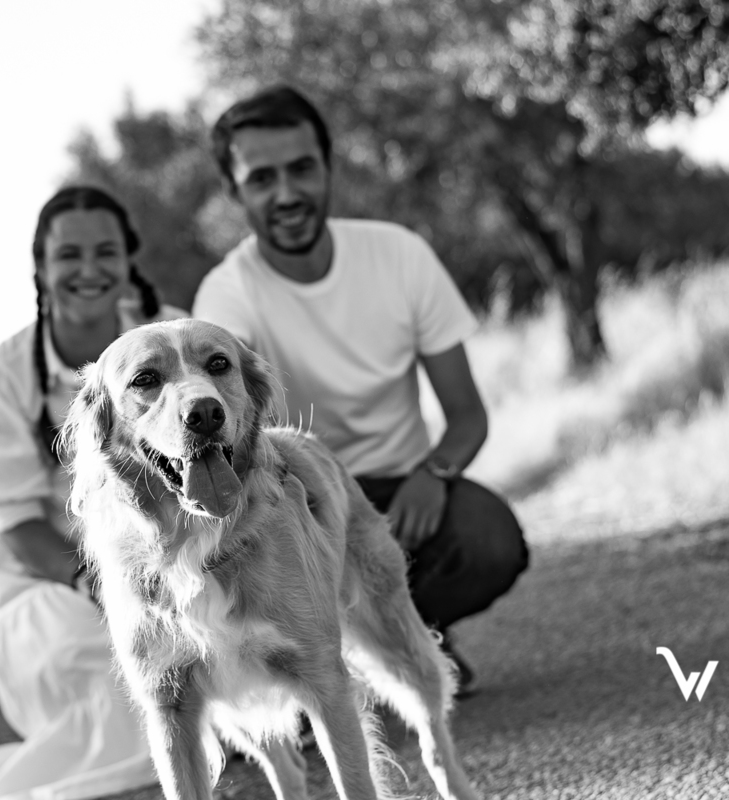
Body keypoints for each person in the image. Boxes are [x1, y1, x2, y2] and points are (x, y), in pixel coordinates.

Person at [192, 86, 528, 695]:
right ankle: (308, 666)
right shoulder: (225, 297)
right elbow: (234, 429)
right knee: (251, 543)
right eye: (262, 178)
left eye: (301, 169)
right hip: (296, 494)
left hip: (403, 494)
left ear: (327, 167)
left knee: (490, 540)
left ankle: (406, 638)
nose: (287, 193)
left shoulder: (399, 254)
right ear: (235, 191)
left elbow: (467, 415)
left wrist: (436, 472)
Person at [0, 186, 185, 800]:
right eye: (69, 255)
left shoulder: (177, 337)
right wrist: (102, 585)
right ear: (41, 271)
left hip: (175, 556)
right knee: (97, 665)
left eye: (106, 251)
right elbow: (17, 528)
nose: (89, 270)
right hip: (54, 581)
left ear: (128, 262)